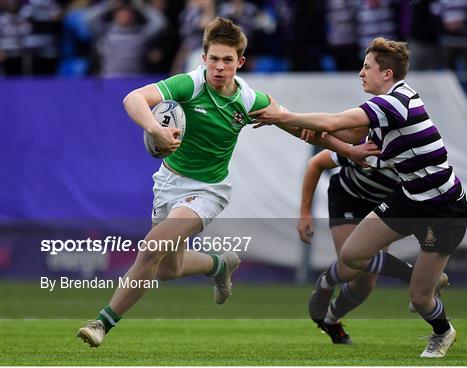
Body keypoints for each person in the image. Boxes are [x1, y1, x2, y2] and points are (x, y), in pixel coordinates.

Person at [77, 16, 378, 349]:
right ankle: (220, 264)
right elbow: (133, 99)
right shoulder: (189, 84)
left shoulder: (249, 101)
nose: (220, 67)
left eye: (228, 60)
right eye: (214, 59)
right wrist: (155, 128)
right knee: (165, 268)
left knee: (151, 248)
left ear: (240, 62)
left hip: (207, 191)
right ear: (204, 58)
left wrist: (348, 149)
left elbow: (304, 130)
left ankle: (102, 323)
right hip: (168, 183)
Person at [250, 37, 467, 358]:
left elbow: (332, 123)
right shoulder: (388, 109)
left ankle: (442, 331)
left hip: (443, 208)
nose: (361, 73)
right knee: (352, 255)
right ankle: (406, 280)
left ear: (388, 74)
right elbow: (341, 135)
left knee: (420, 298)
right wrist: (292, 120)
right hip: (409, 199)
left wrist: (282, 116)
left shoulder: (394, 103)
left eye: (367, 67)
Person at [298, 148, 448, 344]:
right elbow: (315, 163)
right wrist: (305, 213)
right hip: (348, 198)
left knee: (365, 282)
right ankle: (326, 282)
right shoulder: (369, 147)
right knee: (351, 268)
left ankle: (331, 320)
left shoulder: (416, 161)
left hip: (384, 206)